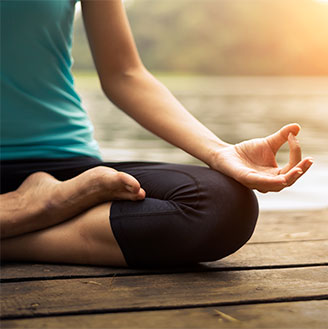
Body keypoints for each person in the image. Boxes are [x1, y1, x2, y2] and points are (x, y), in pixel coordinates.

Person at [0, 0, 313, 268]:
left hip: (65, 164)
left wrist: (219, 152)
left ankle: (29, 213)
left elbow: (124, 74)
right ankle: (28, 210)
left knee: (222, 204)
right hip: (49, 194)